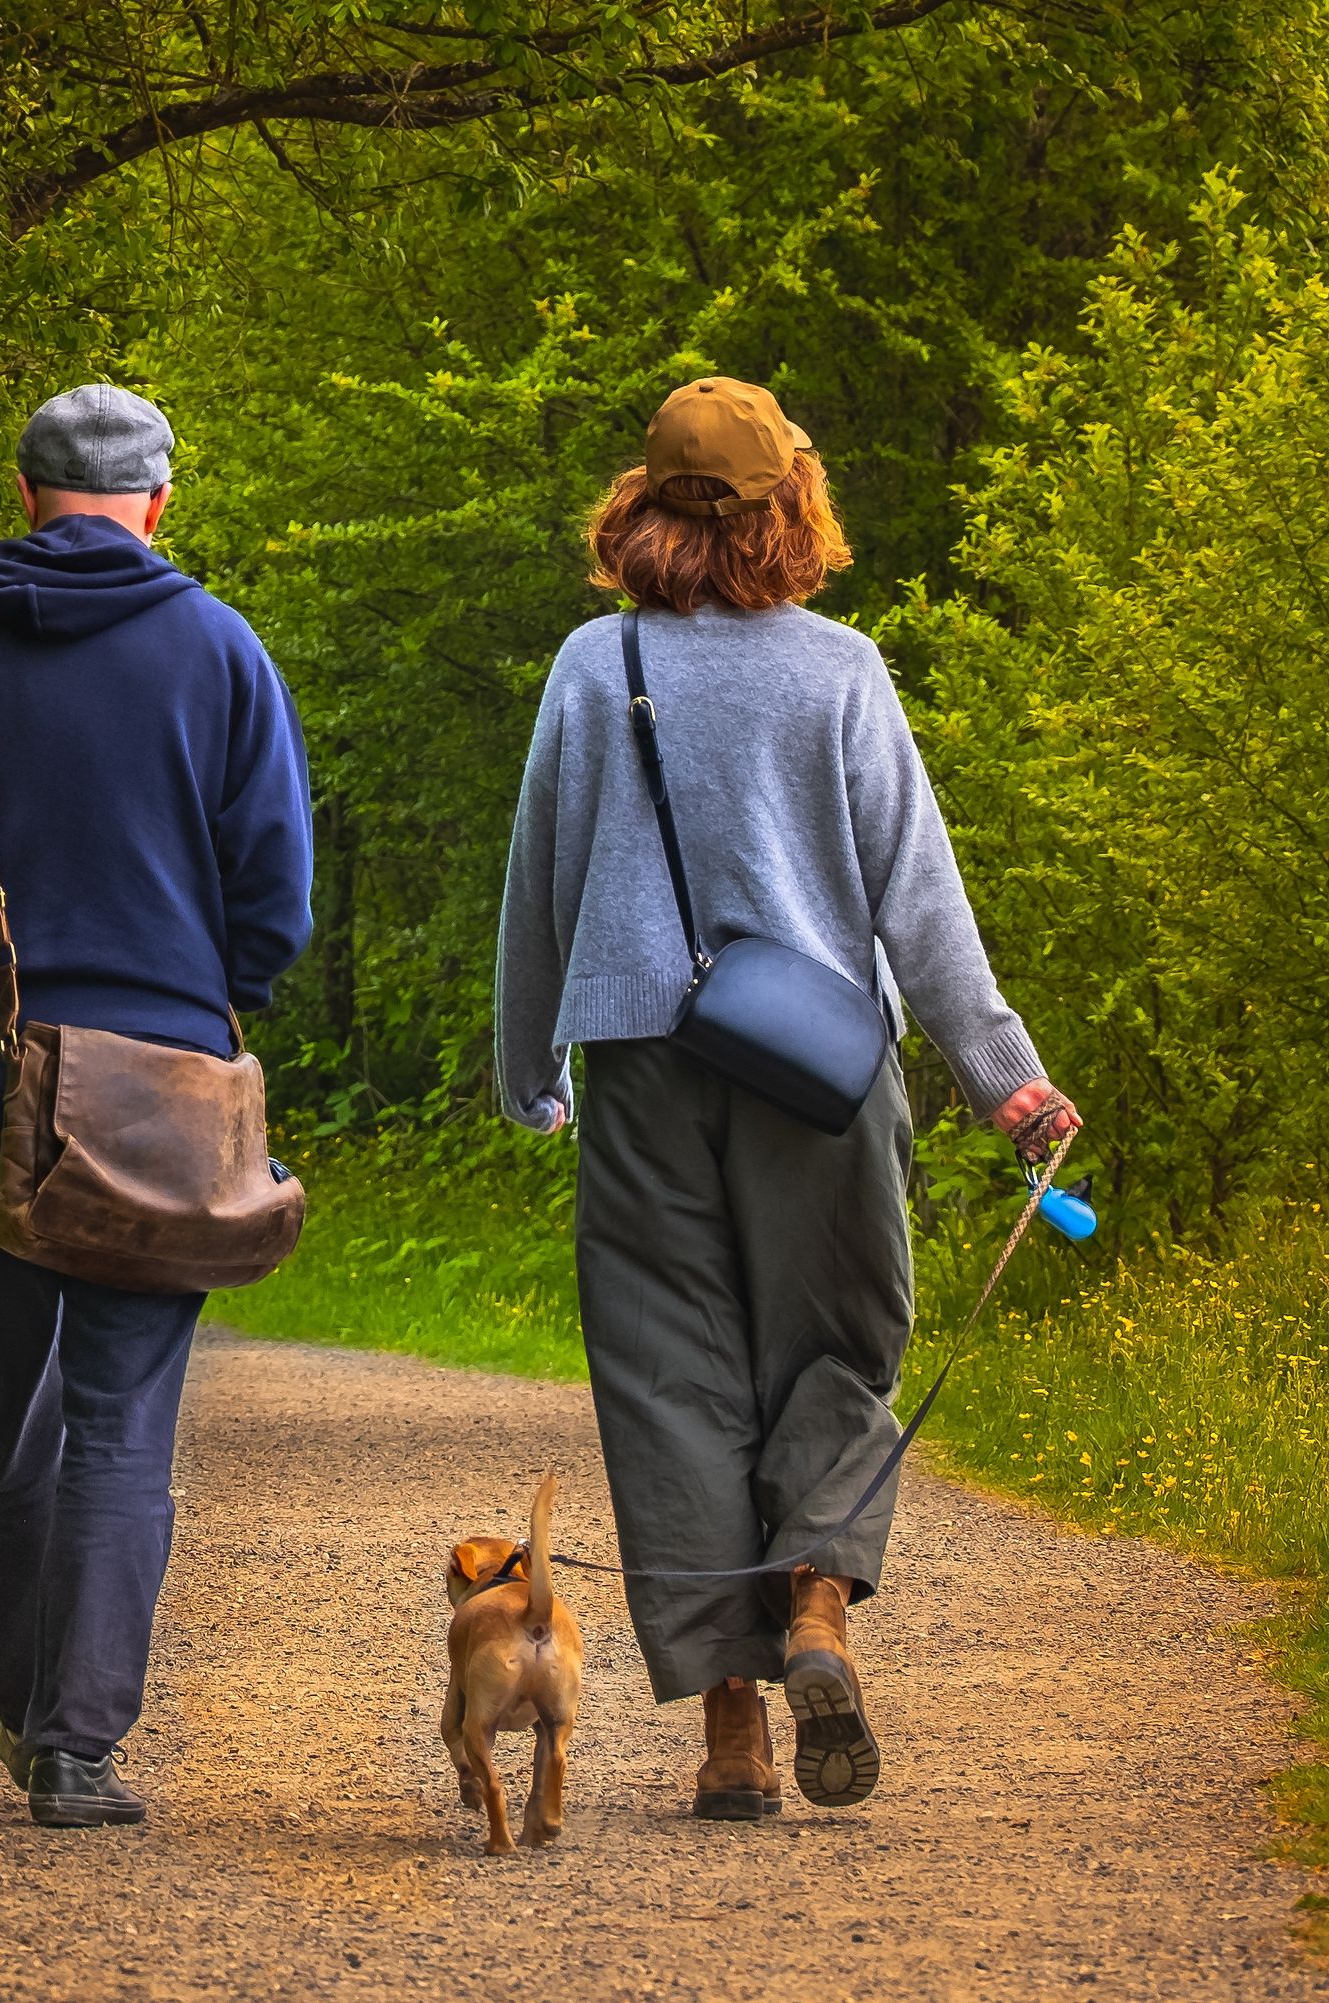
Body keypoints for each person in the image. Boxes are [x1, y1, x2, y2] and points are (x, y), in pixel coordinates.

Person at [493, 377, 1081, 1820]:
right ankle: (819, 1604)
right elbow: (918, 897)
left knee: (671, 1377)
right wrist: (1004, 1077)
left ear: (641, 509)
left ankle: (733, 1739)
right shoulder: (840, 671)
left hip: (641, 1061)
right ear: (787, 508)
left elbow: (540, 887)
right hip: (821, 1064)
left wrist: (527, 1070)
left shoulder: (592, 664)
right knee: (838, 1341)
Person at [0, 384, 315, 1828]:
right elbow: (275, 904)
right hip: (159, 1077)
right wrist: (198, 1002)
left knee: (13, 1401)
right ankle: (76, 1746)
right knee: (117, 1410)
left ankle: (24, 1697)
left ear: (26, 491)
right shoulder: (222, 651)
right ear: (160, 502)